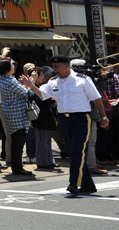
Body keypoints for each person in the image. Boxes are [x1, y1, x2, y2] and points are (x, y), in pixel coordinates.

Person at [23, 55, 110, 194]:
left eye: (57, 66)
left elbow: (96, 99)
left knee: (78, 152)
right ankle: (88, 185)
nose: (54, 69)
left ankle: (73, 183)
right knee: (73, 153)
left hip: (81, 119)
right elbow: (42, 94)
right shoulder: (53, 81)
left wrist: (103, 117)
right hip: (64, 120)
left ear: (66, 66)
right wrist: (31, 86)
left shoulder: (82, 79)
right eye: (53, 66)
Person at [0, 59, 36, 177]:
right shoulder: (9, 81)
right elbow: (27, 94)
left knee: (16, 141)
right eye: (12, 65)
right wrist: (32, 82)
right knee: (18, 142)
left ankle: (16, 166)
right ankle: (17, 167)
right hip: (17, 114)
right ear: (6, 68)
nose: (14, 66)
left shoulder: (3, 79)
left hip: (11, 113)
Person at [29, 68, 59, 170]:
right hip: (39, 117)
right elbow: (37, 100)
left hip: (46, 116)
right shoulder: (33, 88)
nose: (43, 77)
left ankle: (49, 160)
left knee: (47, 140)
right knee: (41, 140)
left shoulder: (42, 86)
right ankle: (42, 162)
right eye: (41, 75)